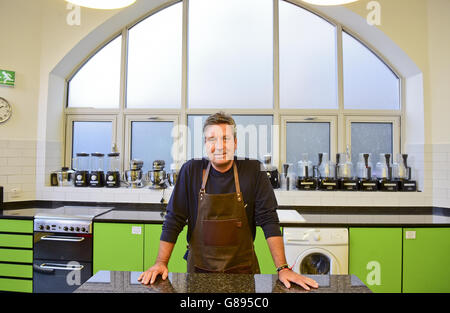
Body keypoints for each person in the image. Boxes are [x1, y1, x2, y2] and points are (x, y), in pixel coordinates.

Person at [138, 112, 318, 290]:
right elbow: (173, 220)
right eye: (212, 139)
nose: (219, 146)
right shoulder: (190, 170)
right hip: (198, 275)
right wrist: (160, 263)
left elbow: (268, 219)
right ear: (205, 144)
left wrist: (283, 268)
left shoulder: (254, 170)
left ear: (236, 143)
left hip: (243, 275)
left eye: (226, 138)